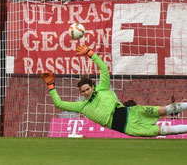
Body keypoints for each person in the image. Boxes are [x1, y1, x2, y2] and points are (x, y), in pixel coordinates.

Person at [42, 45, 187, 137]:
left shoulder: (102, 87)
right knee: (162, 131)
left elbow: (104, 69)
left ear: (93, 87)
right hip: (128, 127)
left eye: (87, 89)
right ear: (80, 93)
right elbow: (59, 104)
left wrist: (90, 53)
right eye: (83, 91)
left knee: (165, 110)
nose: (86, 92)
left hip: (132, 112)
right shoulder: (82, 106)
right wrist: (51, 86)